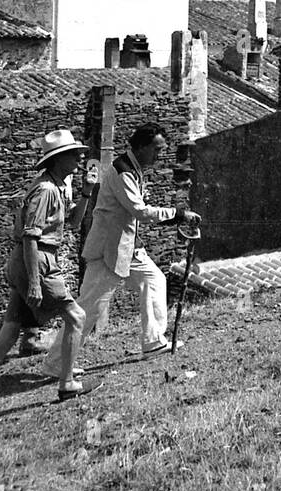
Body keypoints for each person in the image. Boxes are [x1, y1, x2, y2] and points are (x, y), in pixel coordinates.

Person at [43, 123, 200, 372]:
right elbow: (139, 211)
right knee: (87, 309)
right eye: (156, 150)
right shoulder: (122, 171)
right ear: (140, 146)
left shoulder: (134, 169)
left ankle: (153, 342)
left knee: (154, 281)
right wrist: (178, 214)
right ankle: (55, 364)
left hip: (126, 249)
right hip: (108, 251)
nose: (159, 156)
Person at [0, 129, 97, 424]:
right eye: (73, 155)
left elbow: (75, 222)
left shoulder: (57, 186)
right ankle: (67, 384)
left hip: (33, 260)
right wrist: (33, 281)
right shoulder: (45, 190)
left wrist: (87, 192)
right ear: (57, 159)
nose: (79, 159)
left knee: (9, 332)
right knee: (76, 318)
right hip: (36, 260)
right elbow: (30, 237)